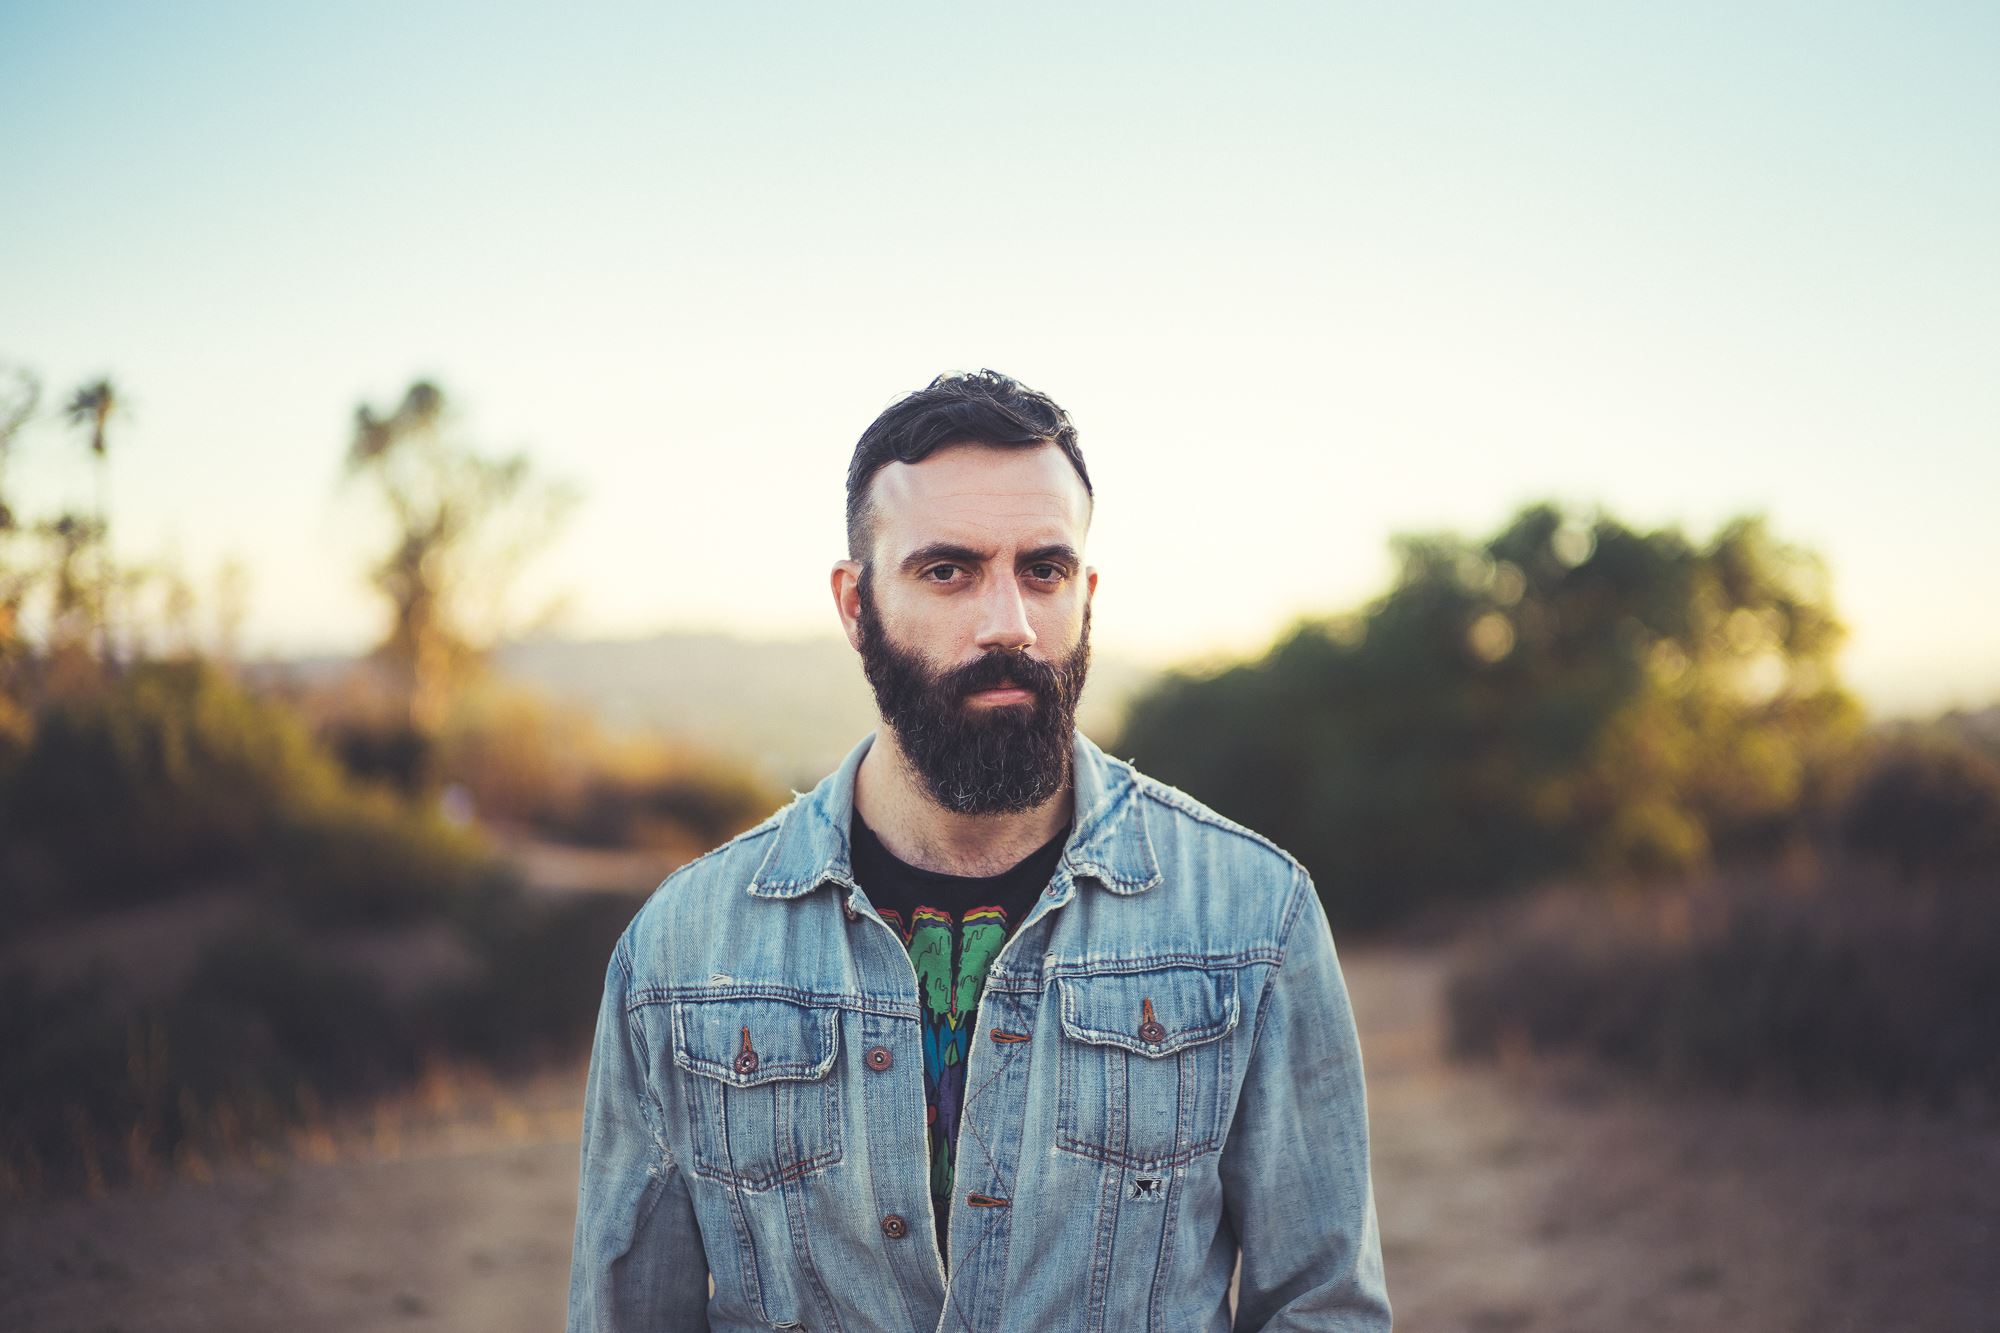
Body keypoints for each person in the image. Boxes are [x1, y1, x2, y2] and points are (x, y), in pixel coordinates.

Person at [567, 369, 1391, 1331]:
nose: (1010, 622)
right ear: (855, 604)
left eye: (1043, 570)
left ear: (1086, 591)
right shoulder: (681, 949)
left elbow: (1323, 1306)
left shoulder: (1253, 914)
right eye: (947, 570)